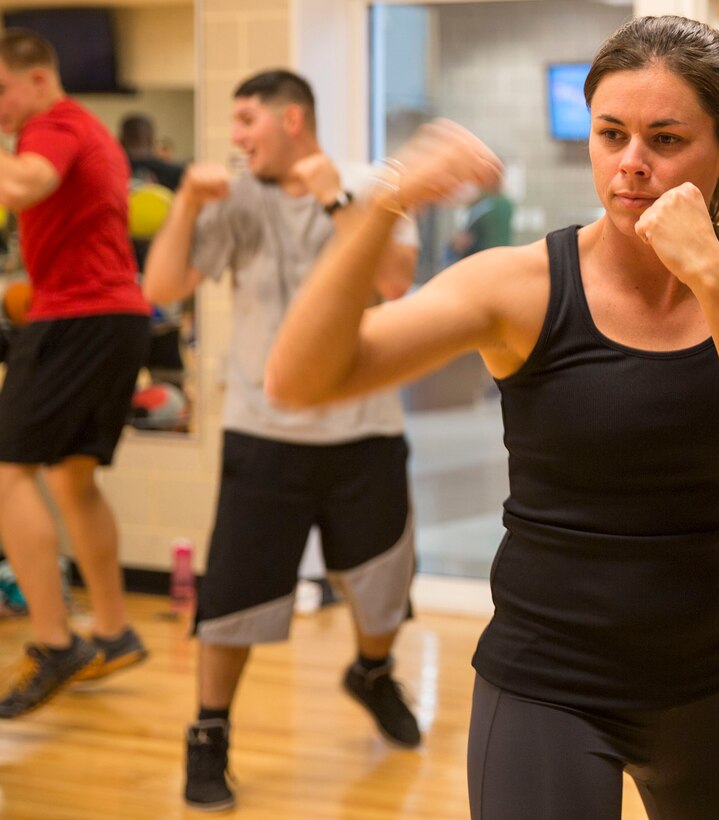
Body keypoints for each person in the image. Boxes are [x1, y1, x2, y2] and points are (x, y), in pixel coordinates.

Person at [265, 16, 719, 820]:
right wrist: (391, 197)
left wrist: (711, 276)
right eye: (612, 134)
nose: (631, 163)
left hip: (716, 679)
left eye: (665, 139)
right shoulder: (522, 286)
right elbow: (299, 377)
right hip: (546, 686)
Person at [143, 68, 421, 812]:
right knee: (233, 596)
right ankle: (208, 734)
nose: (234, 138)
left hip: (365, 430)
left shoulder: (372, 184)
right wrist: (186, 206)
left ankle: (371, 673)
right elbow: (163, 288)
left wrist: (337, 198)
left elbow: (395, 281)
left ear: (291, 119)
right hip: (263, 432)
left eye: (245, 121)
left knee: (384, 586)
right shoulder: (234, 198)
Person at [0, 29, 150, 718]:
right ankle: (114, 631)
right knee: (71, 477)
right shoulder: (84, 126)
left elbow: (30, 183)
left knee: (7, 474)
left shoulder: (53, 126)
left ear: (37, 78)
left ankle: (57, 643)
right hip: (114, 316)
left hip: (79, 318)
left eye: (0, 90)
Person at [119, 112, 189, 391]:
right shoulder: (173, 172)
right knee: (167, 371)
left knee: (118, 373)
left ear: (121, 138)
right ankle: (169, 420)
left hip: (121, 282)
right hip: (163, 281)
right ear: (151, 137)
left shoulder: (109, 169)